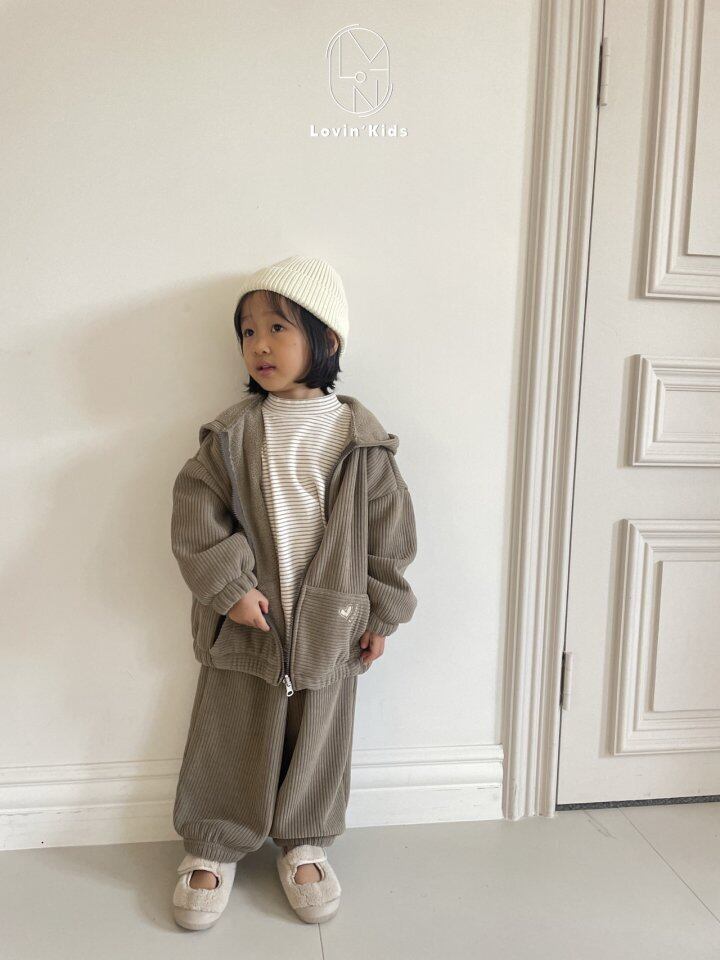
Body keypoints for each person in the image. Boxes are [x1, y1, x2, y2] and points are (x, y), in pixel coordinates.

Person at [169, 255, 418, 929]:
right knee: (229, 727)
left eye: (277, 328)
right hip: (248, 618)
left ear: (326, 339)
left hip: (334, 621)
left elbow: (388, 538)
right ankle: (213, 842)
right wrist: (229, 589)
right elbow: (197, 514)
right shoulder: (232, 436)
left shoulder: (363, 444)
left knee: (320, 734)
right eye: (247, 331)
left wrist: (382, 613)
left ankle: (305, 841)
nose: (259, 345)